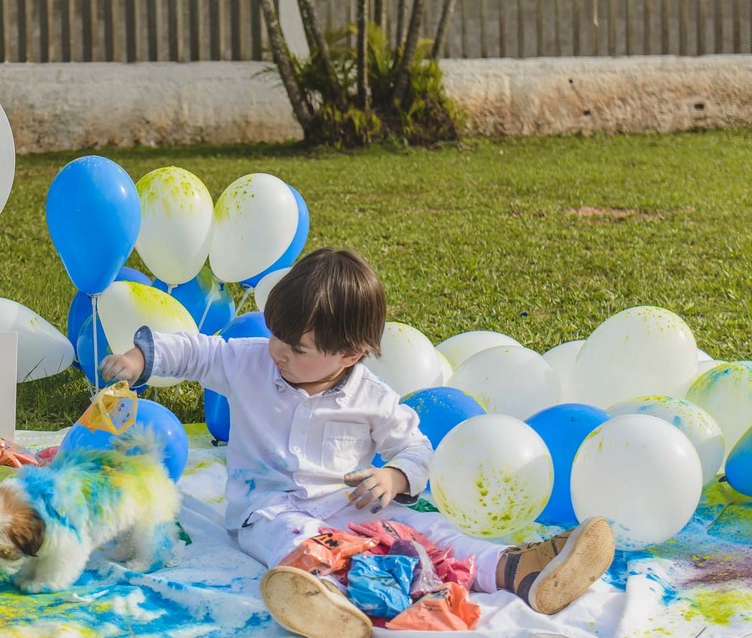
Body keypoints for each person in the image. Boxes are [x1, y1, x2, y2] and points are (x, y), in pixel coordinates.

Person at [99, 248, 615, 638]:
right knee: (291, 536)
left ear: (349, 353)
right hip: (266, 507)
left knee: (424, 528)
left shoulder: (374, 399)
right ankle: (328, 599)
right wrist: (142, 356)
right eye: (277, 334)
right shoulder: (251, 360)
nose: (278, 351)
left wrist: (393, 476)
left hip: (350, 507)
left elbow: (416, 450)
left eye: (297, 348)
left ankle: (517, 570)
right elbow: (198, 351)